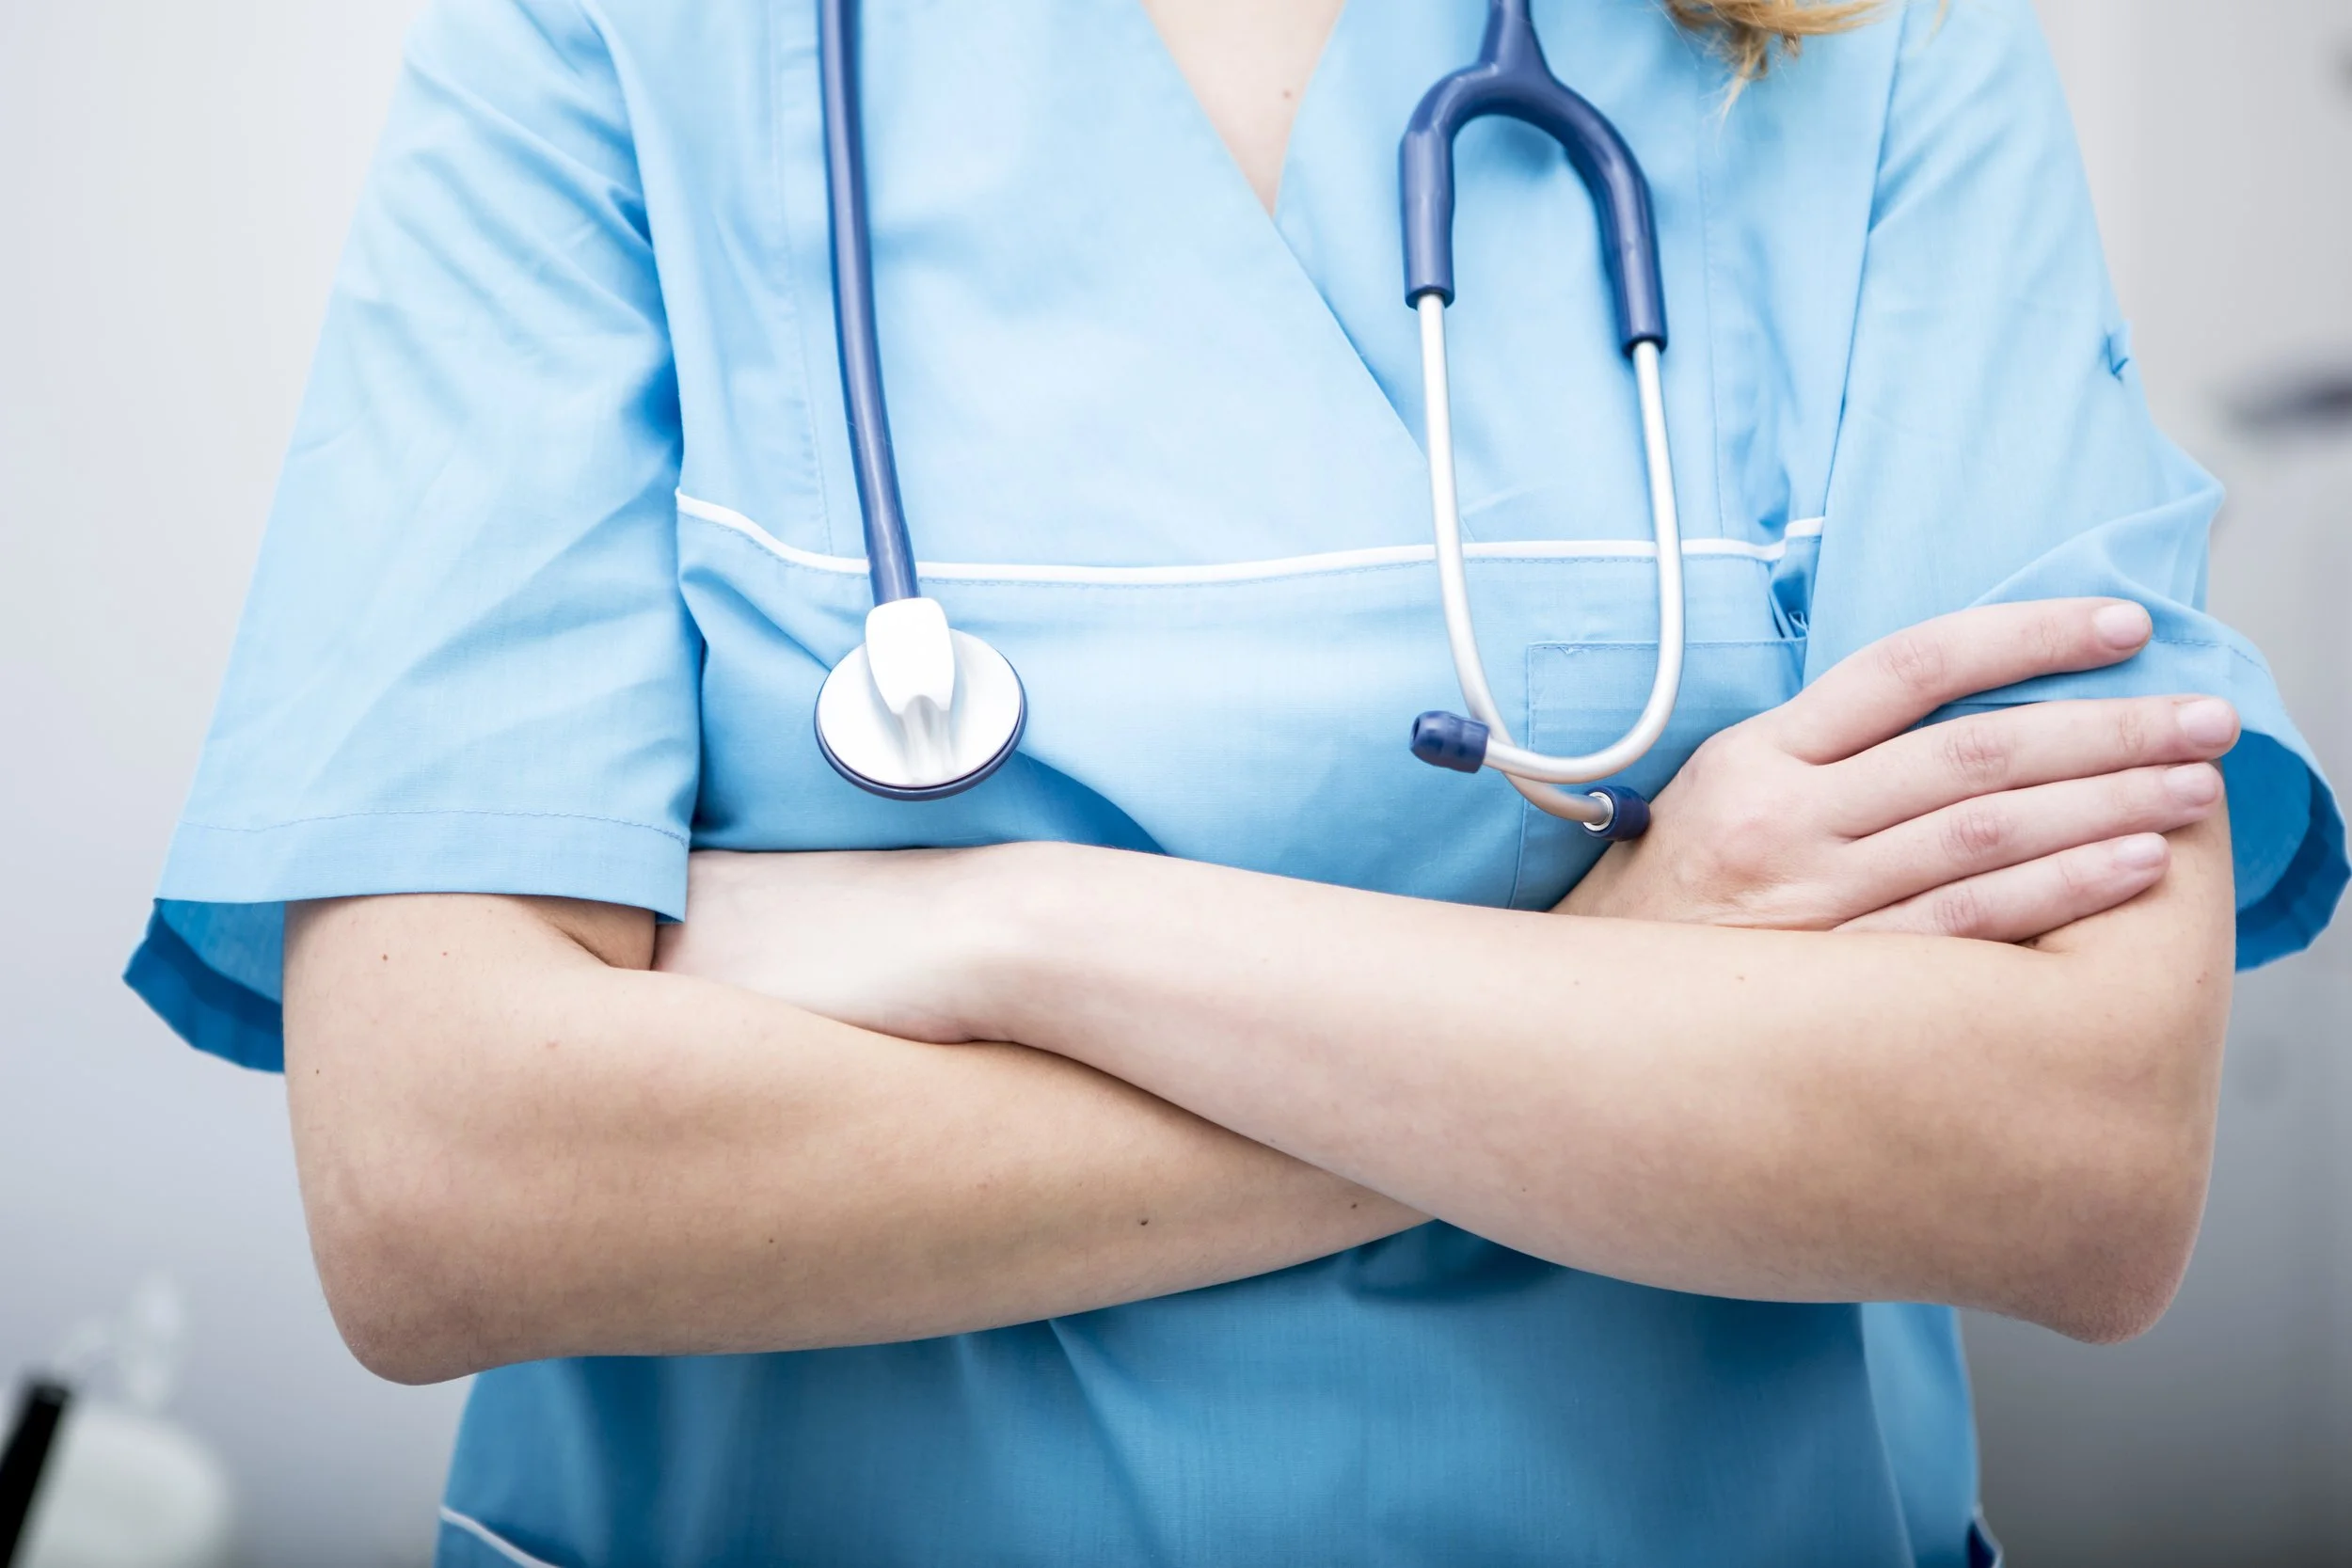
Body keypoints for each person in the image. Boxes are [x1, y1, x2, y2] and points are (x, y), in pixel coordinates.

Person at [126, 0, 2344, 1562]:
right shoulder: (618, 39)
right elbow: (443, 1182)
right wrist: (1617, 994)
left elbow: (2066, 1156)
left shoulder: (1865, 41)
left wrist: (1015, 927)